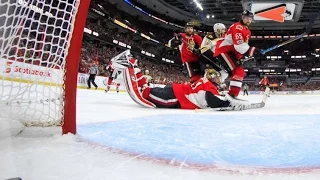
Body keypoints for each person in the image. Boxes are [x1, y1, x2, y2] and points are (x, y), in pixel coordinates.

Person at [111, 50, 251, 111]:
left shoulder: (205, 81)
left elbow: (211, 96)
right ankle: (127, 64)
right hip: (174, 97)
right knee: (145, 94)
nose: (219, 79)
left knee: (146, 88)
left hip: (174, 91)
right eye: (217, 76)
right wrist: (228, 103)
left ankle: (133, 63)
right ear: (212, 77)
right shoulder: (209, 86)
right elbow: (212, 100)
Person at [214, 10, 261, 98]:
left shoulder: (247, 31)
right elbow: (239, 46)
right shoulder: (238, 27)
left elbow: (242, 47)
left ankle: (211, 91)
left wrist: (249, 54)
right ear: (242, 18)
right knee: (239, 71)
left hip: (231, 52)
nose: (248, 20)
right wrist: (253, 51)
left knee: (230, 73)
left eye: (250, 18)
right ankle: (232, 95)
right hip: (224, 50)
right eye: (246, 18)